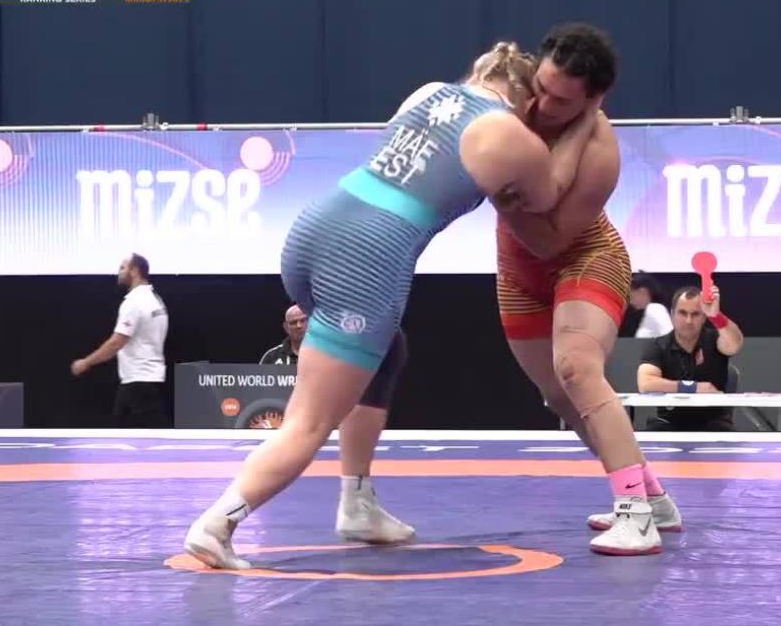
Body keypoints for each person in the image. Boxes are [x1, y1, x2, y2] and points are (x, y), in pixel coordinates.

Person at [183, 41, 600, 569]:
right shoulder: (514, 135)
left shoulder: (430, 92)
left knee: (387, 350)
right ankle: (218, 523)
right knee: (309, 422)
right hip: (366, 258)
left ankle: (357, 504)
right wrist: (586, 120)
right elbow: (549, 197)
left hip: (316, 228)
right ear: (526, 99)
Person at [494, 23, 680, 555]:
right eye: (542, 88)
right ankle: (654, 499)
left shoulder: (601, 152)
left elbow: (549, 239)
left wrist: (502, 196)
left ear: (592, 99)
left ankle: (635, 516)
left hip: (585, 258)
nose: (543, 104)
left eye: (563, 102)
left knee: (577, 368)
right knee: (559, 394)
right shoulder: (512, 95)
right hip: (517, 273)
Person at [71, 253, 171, 427]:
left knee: (141, 432)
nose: (119, 272)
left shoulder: (134, 302)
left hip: (138, 382)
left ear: (134, 271)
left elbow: (116, 342)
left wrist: (86, 362)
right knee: (125, 430)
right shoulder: (156, 300)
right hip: (149, 379)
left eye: (122, 268)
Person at [637, 285, 745, 431]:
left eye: (695, 314)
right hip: (669, 423)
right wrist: (694, 387)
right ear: (672, 314)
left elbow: (735, 344)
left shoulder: (716, 339)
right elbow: (646, 383)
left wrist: (716, 316)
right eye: (682, 313)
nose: (688, 320)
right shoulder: (658, 345)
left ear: (704, 317)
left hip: (714, 423)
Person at [621, 271, 673, 339]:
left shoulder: (655, 309)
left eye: (631, 296)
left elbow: (670, 337)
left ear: (642, 292)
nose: (630, 302)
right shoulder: (642, 314)